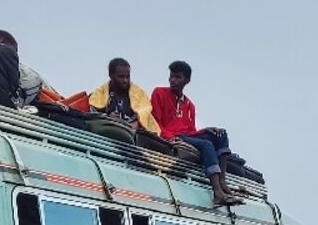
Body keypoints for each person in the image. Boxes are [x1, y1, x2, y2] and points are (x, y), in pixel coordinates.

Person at [150, 61, 242, 207]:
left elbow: (191, 130)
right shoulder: (159, 93)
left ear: (186, 81)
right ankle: (217, 192)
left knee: (220, 134)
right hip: (173, 136)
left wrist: (205, 131)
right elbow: (155, 122)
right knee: (207, 145)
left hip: (187, 136)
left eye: (178, 77)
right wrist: (170, 138)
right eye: (172, 76)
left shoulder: (189, 105)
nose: (173, 80)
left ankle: (223, 182)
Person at [90, 58, 160, 135]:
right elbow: (93, 114)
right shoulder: (100, 93)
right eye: (121, 77)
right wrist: (108, 117)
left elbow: (144, 113)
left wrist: (132, 125)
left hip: (132, 136)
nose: (125, 80)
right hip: (106, 132)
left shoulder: (139, 94)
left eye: (127, 77)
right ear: (111, 75)